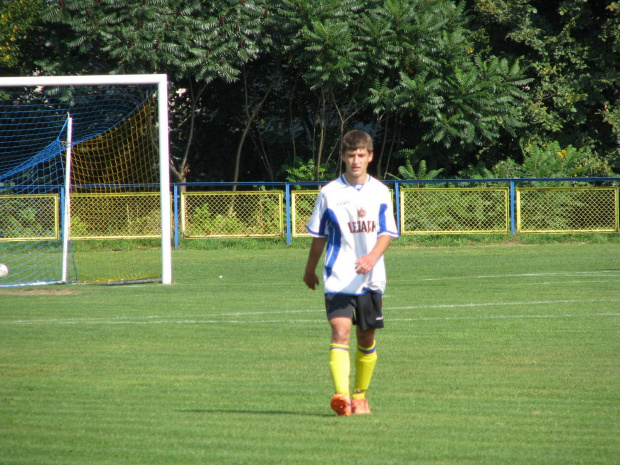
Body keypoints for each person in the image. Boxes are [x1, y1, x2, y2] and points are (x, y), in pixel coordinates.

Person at [303, 129, 398, 416]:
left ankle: (360, 397)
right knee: (340, 332)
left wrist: (371, 257)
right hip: (338, 276)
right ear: (343, 157)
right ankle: (341, 397)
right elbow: (318, 236)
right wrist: (309, 270)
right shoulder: (329, 193)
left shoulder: (381, 192)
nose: (355, 160)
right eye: (350, 155)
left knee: (366, 339)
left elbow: (387, 233)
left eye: (361, 155)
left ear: (370, 156)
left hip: (371, 279)